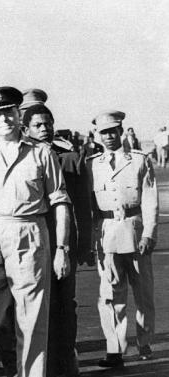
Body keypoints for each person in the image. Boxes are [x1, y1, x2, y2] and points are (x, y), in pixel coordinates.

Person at [0, 87, 71, 377]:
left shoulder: (41, 153)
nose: (4, 118)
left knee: (32, 318)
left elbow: (60, 202)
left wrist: (62, 249)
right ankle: (14, 361)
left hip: (30, 235)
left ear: (18, 113)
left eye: (8, 111)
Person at [23, 103, 92, 377]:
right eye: (37, 125)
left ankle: (66, 358)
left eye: (47, 123)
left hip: (64, 244)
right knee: (35, 304)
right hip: (31, 244)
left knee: (65, 303)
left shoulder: (70, 158)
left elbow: (82, 205)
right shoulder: (24, 158)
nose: (44, 129)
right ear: (25, 129)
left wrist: (84, 243)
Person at [86, 110, 158, 368]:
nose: (108, 137)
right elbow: (91, 208)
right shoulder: (91, 164)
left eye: (112, 131)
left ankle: (145, 341)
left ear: (121, 131)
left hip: (135, 230)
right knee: (110, 294)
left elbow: (150, 199)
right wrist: (93, 241)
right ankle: (114, 349)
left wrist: (149, 233)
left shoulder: (139, 160)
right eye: (103, 132)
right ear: (97, 135)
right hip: (106, 235)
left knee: (143, 293)